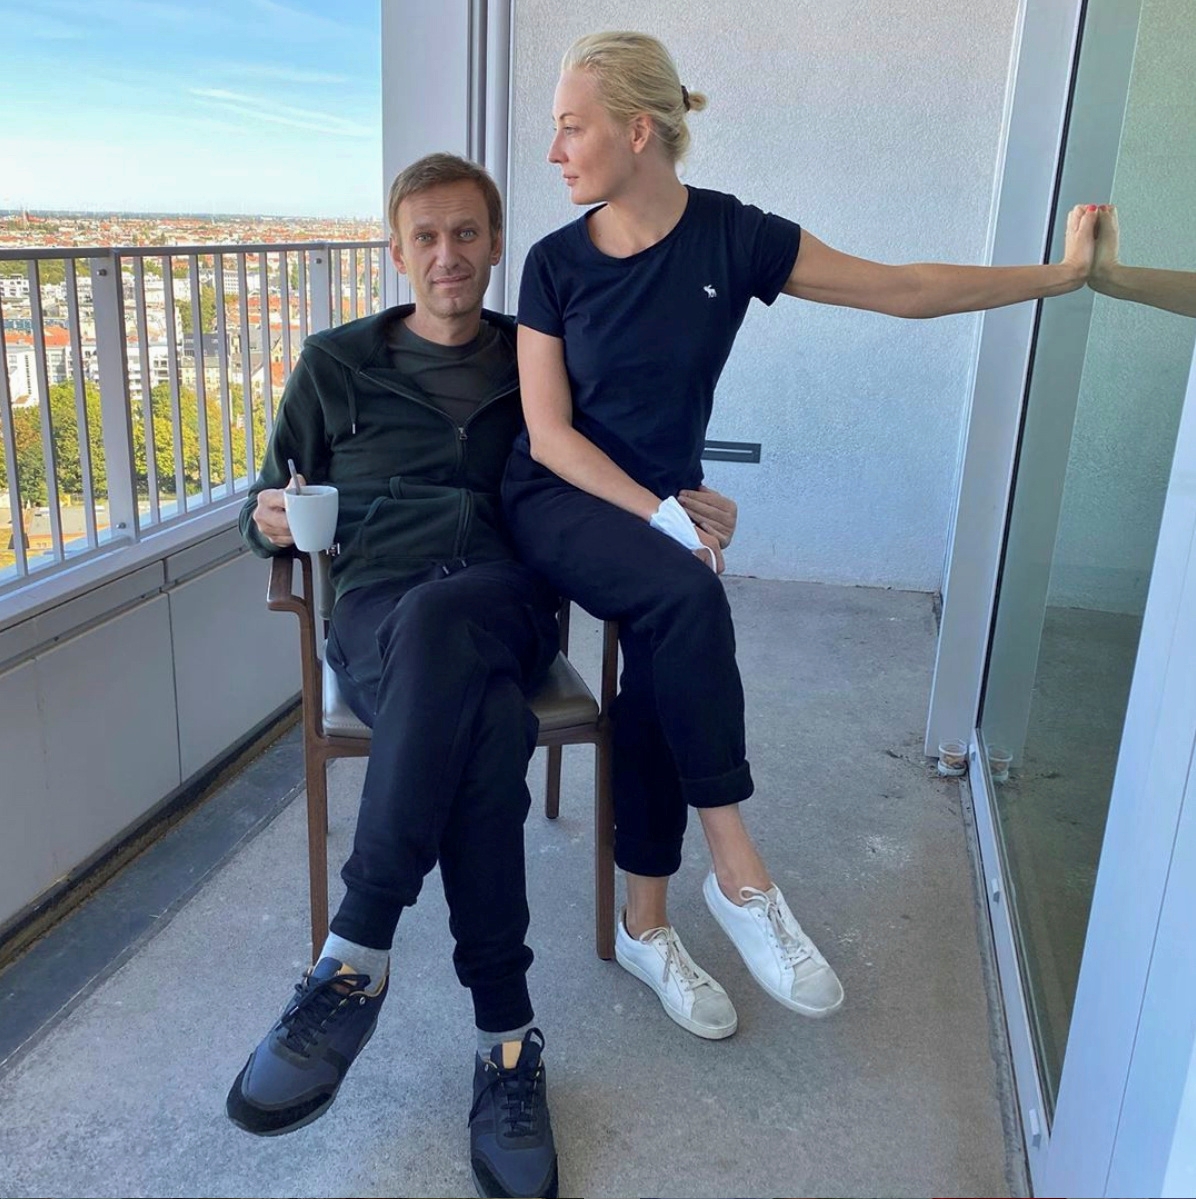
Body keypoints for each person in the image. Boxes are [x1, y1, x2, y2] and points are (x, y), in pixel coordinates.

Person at [502, 30, 1102, 1041]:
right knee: (686, 593)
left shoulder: (732, 237)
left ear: (637, 131)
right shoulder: (553, 262)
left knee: (663, 646)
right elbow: (550, 434)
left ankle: (646, 925)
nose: (554, 150)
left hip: (654, 507)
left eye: (571, 127)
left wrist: (1060, 276)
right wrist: (660, 510)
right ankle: (739, 873)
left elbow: (902, 288)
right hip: (559, 497)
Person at [226, 152, 736, 1199]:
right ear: (396, 249)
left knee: (452, 619)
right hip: (375, 611)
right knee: (491, 727)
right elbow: (264, 501)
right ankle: (507, 1041)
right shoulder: (333, 364)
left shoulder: (536, 357)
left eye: (466, 233)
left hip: (504, 604)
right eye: (426, 236)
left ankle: (355, 952)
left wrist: (689, 503)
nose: (447, 254)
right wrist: (266, 517)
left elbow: (615, 468)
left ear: (496, 243)